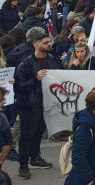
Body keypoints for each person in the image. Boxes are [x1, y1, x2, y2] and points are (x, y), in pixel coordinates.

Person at [13, 26, 58, 179]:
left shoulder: (52, 59)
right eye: (45, 43)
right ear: (35, 44)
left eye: (49, 42)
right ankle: (23, 165)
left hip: (47, 106)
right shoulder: (25, 64)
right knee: (27, 136)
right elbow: (18, 86)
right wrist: (35, 79)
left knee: (38, 134)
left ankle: (35, 157)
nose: (48, 44)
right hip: (29, 106)